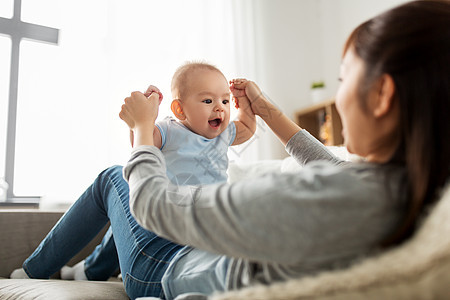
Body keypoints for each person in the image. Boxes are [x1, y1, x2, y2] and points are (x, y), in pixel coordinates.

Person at [11, 1, 450, 299]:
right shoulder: (411, 189)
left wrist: (143, 128)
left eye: (342, 77)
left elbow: (151, 206)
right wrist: (267, 111)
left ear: (381, 95)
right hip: (183, 248)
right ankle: (88, 268)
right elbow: (335, 169)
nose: (337, 96)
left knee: (113, 178)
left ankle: (32, 270)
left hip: (163, 266)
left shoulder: (329, 201)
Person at [54, 62, 257, 281]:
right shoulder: (170, 129)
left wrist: (245, 102)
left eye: (225, 101)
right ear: (180, 109)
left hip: (204, 219)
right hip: (163, 214)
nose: (220, 108)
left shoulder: (223, 134)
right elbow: (142, 143)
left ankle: (91, 269)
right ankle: (89, 270)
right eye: (208, 101)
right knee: (128, 218)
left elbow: (247, 127)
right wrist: (143, 118)